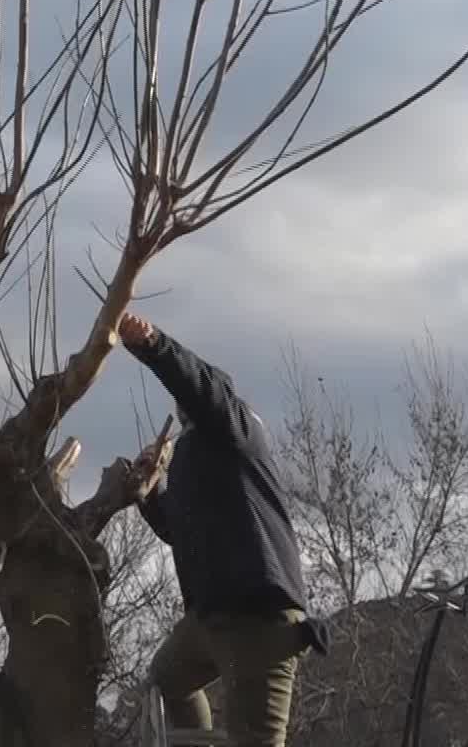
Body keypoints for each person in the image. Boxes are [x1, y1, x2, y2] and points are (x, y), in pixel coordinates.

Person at [116, 312, 326, 747]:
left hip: (259, 622)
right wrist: (148, 493)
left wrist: (154, 345)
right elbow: (182, 532)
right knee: (164, 685)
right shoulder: (196, 458)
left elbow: (201, 388)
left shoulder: (236, 429)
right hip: (210, 620)